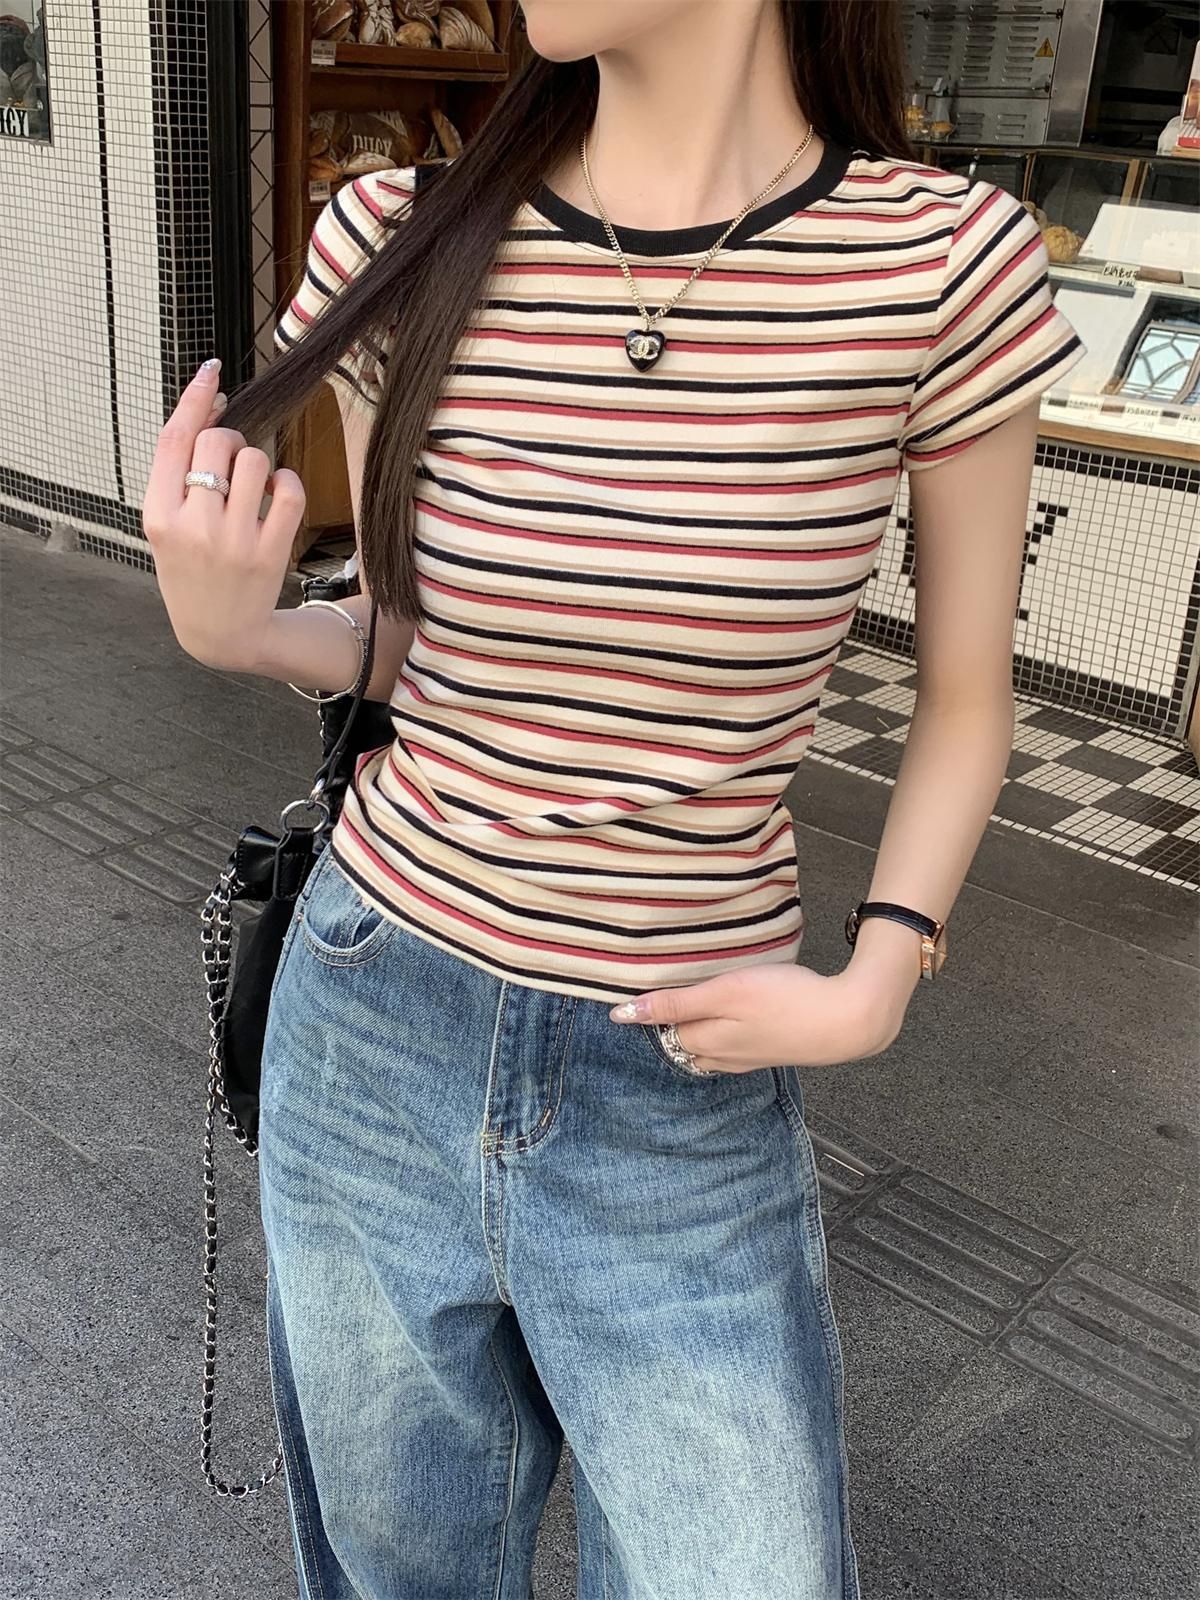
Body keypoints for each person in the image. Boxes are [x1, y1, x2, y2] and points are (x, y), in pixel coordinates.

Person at [142, 2, 1083, 1594]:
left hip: (681, 1076)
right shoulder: (401, 233)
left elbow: (968, 696)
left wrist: (880, 971)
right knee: (399, 1574)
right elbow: (403, 634)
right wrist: (246, 632)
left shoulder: (937, 264)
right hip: (374, 1024)